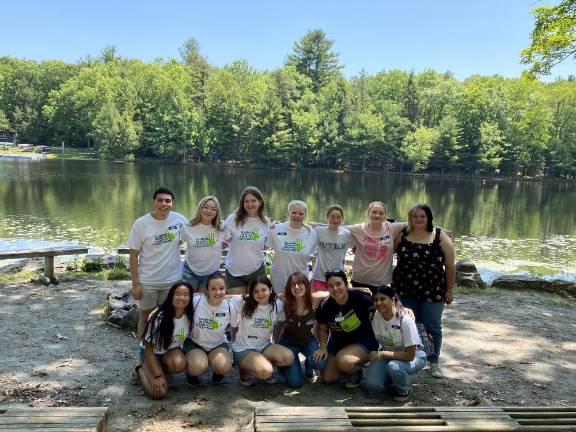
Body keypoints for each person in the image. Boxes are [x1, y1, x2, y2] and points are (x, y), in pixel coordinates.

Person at [392, 204, 455, 379]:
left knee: (432, 325)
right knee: (407, 324)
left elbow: (450, 266)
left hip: (433, 289)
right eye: (415, 216)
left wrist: (449, 290)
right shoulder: (402, 234)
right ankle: (409, 358)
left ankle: (433, 361)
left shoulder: (440, 236)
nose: (418, 219)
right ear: (409, 219)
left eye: (422, 216)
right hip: (404, 288)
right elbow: (384, 247)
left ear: (429, 218)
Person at [127, 187, 187, 338]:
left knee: (169, 317)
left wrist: (219, 240)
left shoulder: (179, 219)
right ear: (154, 202)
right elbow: (133, 255)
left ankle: (164, 349)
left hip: (172, 280)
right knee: (145, 317)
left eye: (168, 201)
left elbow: (197, 232)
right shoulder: (141, 224)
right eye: (160, 200)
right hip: (148, 280)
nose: (163, 204)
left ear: (172, 204)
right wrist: (135, 284)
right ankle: (143, 351)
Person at [314, 269, 377, 388]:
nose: (335, 289)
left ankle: (356, 371)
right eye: (331, 286)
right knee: (328, 378)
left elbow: (381, 305)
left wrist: (402, 308)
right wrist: (323, 347)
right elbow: (322, 328)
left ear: (346, 284)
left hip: (363, 341)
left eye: (338, 284)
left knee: (344, 361)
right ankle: (345, 365)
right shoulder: (325, 305)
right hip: (338, 342)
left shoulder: (361, 298)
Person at [365, 285, 427, 401]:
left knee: (394, 367)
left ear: (393, 300)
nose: (379, 303)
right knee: (373, 386)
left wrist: (381, 354)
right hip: (390, 354)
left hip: (414, 356)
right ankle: (393, 379)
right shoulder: (374, 316)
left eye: (383, 299)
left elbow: (410, 355)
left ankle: (404, 388)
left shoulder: (405, 320)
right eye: (376, 300)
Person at [231, 275, 294, 386]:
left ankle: (262, 364)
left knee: (288, 357)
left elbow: (281, 322)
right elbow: (224, 297)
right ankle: (245, 368)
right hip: (244, 348)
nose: (260, 294)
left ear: (270, 290)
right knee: (266, 372)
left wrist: (276, 341)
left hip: (264, 346)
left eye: (263, 290)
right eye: (256, 291)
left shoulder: (276, 305)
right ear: (251, 293)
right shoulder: (243, 303)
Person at [136, 282, 193, 399]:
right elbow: (148, 348)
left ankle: (161, 371)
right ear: (171, 296)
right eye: (178, 294)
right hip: (151, 354)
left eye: (186, 294)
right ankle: (140, 368)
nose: (182, 297)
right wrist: (157, 376)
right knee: (159, 393)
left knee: (179, 364)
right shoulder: (159, 317)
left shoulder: (189, 314)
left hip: (170, 351)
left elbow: (210, 296)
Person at [183, 274, 239, 386]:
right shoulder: (196, 301)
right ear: (206, 291)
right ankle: (190, 374)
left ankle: (217, 372)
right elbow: (180, 298)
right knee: (198, 366)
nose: (218, 292)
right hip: (195, 342)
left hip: (217, 344)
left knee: (224, 366)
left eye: (221, 288)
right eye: (213, 289)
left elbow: (234, 326)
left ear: (226, 290)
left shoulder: (230, 306)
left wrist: (236, 346)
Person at [347, 201, 406, 294]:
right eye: (374, 212)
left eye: (381, 213)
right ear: (368, 213)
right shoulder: (358, 229)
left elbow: (414, 224)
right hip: (359, 280)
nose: (377, 215)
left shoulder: (391, 228)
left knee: (378, 308)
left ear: (385, 216)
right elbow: (337, 229)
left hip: (381, 282)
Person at [277, 272, 323, 388]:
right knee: (296, 383)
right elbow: (272, 296)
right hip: (288, 342)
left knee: (320, 363)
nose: (297, 287)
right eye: (293, 285)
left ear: (307, 285)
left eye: (300, 283)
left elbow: (334, 292)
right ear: (289, 288)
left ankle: (309, 368)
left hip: (307, 340)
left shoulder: (314, 299)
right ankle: (286, 365)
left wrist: (358, 289)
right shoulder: (285, 300)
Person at [224, 186, 270, 295]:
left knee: (255, 306)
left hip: (256, 270)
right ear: (242, 203)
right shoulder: (233, 219)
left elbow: (266, 245)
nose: (250, 204)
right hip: (234, 271)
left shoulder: (266, 222)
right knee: (237, 306)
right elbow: (222, 236)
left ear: (260, 202)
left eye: (253, 201)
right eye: (246, 201)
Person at [181, 196, 231, 291]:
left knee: (203, 303)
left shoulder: (222, 227)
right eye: (206, 207)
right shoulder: (188, 226)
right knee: (188, 302)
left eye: (213, 209)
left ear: (217, 212)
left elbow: (230, 240)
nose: (209, 211)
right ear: (200, 208)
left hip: (211, 274)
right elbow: (178, 243)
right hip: (190, 272)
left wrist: (221, 243)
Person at [266, 200, 318, 294]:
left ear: (305, 216)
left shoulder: (311, 233)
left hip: (300, 281)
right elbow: (264, 245)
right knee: (279, 307)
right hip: (279, 279)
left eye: (301, 213)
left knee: (298, 307)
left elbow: (317, 254)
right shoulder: (276, 229)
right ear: (288, 213)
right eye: (294, 212)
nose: (297, 216)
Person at [311, 205, 353, 293]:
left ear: (342, 219)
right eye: (332, 217)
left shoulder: (347, 234)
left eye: (338, 217)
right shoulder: (319, 231)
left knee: (336, 304)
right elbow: (305, 226)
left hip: (337, 278)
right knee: (319, 304)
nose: (335, 220)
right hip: (320, 276)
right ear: (327, 217)